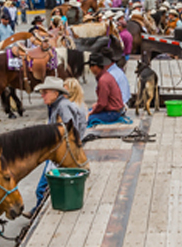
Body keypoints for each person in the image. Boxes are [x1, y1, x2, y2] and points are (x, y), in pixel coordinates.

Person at [33, 76, 88, 204]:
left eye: (45, 92)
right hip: (59, 151)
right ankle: (36, 209)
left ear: (56, 93)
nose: (42, 96)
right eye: (42, 92)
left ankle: (38, 211)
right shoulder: (57, 105)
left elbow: (69, 132)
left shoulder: (62, 107)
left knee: (42, 187)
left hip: (61, 153)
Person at [88, 55, 126, 124]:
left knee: (86, 119)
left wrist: (92, 112)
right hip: (113, 109)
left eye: (91, 67)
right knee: (87, 111)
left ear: (95, 67)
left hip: (112, 112)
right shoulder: (106, 76)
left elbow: (102, 104)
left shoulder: (103, 80)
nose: (90, 69)